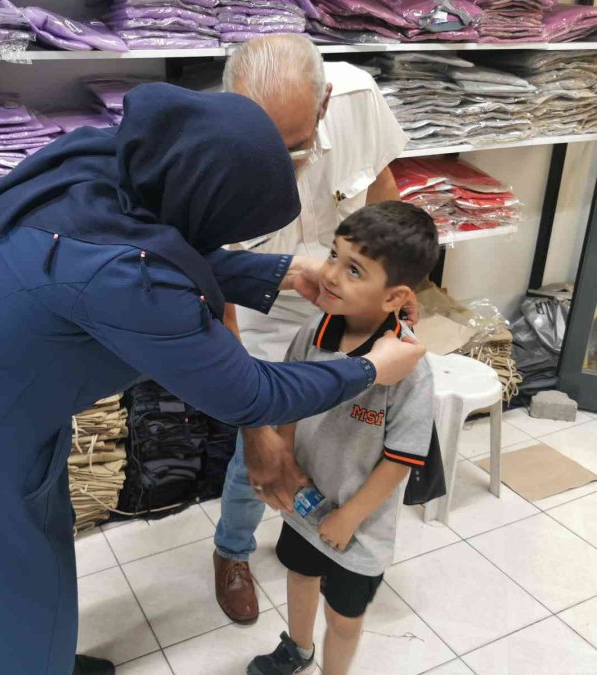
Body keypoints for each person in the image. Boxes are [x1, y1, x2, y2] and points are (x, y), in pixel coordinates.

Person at [0, 84, 426, 675]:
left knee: (22, 577)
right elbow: (251, 392)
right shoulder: (125, 276)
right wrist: (368, 368)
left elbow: (161, 244)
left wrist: (279, 270)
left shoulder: (107, 161)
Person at [212, 35, 411, 625]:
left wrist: (402, 288)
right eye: (262, 146)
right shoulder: (209, 150)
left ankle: (315, 532)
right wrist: (254, 423)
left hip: (343, 288)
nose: (281, 166)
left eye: (295, 147)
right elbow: (215, 293)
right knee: (263, 444)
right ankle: (232, 550)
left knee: (349, 429)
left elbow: (382, 190)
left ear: (323, 104)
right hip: (252, 301)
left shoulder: (357, 98)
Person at [248, 201, 440, 675]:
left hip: (360, 528)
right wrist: (282, 459)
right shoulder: (313, 331)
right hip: (303, 502)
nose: (330, 274)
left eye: (354, 270)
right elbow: (290, 403)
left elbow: (400, 458)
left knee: (343, 617)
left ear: (395, 297)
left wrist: (350, 517)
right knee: (299, 575)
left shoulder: (409, 368)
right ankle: (297, 648)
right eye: (334, 254)